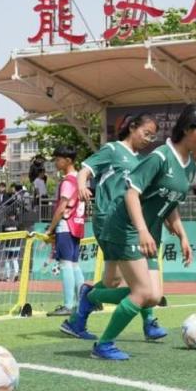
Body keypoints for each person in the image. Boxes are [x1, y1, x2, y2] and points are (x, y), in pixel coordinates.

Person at [72, 104, 196, 360]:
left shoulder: (189, 166)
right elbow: (131, 193)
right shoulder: (159, 157)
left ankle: (91, 295)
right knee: (142, 293)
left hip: (147, 233)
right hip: (126, 228)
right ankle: (103, 345)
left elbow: (170, 205)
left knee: (153, 296)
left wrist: (182, 236)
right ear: (187, 130)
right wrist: (142, 230)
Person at [61, 112, 165, 341]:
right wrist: (81, 186)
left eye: (152, 136)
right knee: (141, 278)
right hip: (108, 219)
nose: (148, 139)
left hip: (125, 223)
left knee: (112, 281)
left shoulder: (140, 161)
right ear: (132, 127)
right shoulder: (113, 149)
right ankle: (148, 321)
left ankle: (81, 310)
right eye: (145, 133)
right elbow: (85, 170)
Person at [45, 146, 87, 317]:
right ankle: (83, 302)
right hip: (77, 225)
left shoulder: (68, 181)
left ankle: (69, 304)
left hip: (66, 226)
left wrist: (50, 228)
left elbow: (62, 207)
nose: (56, 162)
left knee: (65, 264)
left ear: (68, 161)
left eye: (58, 159)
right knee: (74, 264)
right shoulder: (81, 179)